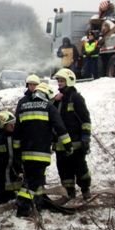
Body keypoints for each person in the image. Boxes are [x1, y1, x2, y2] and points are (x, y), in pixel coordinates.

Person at [13, 81, 72, 217]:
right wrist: (68, 145)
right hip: (41, 154)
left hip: (26, 154)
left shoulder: (23, 107)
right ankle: (22, 208)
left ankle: (37, 205)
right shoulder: (49, 107)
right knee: (33, 183)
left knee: (33, 180)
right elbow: (60, 128)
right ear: (46, 95)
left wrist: (17, 151)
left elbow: (17, 132)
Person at [52, 68, 93, 199]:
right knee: (64, 170)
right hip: (60, 144)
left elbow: (85, 120)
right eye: (58, 81)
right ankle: (70, 192)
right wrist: (54, 100)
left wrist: (85, 138)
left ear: (69, 81)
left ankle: (85, 190)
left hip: (76, 143)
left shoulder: (76, 98)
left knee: (80, 168)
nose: (59, 83)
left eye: (62, 80)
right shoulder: (57, 100)